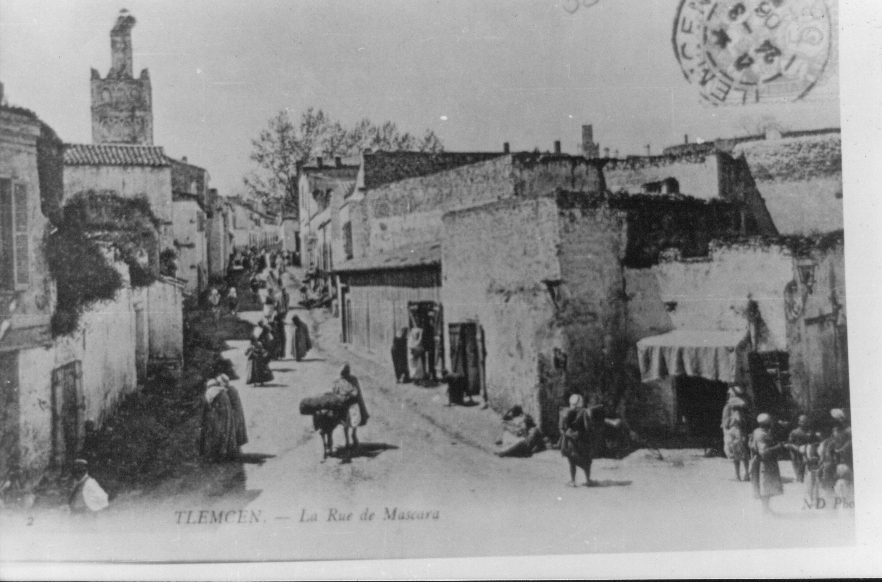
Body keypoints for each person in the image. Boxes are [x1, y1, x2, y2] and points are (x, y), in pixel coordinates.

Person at [330, 363, 369, 458]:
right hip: (344, 406)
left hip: (352, 405)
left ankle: (353, 436)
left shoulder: (353, 379)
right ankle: (348, 440)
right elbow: (334, 393)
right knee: (346, 424)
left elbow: (357, 394)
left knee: (353, 422)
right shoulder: (338, 381)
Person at [749, 413, 784, 514]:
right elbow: (763, 451)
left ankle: (767, 508)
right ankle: (765, 509)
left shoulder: (760, 432)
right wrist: (778, 447)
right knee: (765, 485)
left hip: (768, 462)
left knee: (767, 485)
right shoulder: (761, 434)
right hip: (763, 463)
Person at [559, 394, 597, 487]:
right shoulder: (584, 412)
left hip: (568, 440)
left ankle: (572, 481)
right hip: (581, 439)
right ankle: (588, 480)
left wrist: (566, 434)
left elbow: (561, 428)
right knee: (587, 460)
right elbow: (588, 427)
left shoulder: (564, 412)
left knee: (571, 461)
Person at [199, 379, 238, 461]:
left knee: (215, 434)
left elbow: (207, 407)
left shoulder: (209, 392)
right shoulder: (223, 391)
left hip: (217, 416)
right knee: (225, 433)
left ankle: (215, 455)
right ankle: (226, 453)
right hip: (227, 415)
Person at [218, 374, 248, 451]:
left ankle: (232, 450)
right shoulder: (233, 389)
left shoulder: (227, 391)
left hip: (234, 414)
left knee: (230, 431)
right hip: (237, 413)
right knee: (236, 431)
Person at [723, 405, 750, 481]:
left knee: (739, 455)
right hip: (736, 433)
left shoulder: (736, 412)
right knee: (741, 455)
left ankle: (740, 475)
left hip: (736, 433)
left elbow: (726, 425)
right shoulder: (734, 412)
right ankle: (744, 474)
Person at [787, 414, 813, 483]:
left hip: (806, 452)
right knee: (798, 467)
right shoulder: (794, 432)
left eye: (805, 421)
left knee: (806, 467)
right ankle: (799, 479)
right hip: (796, 452)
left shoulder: (810, 432)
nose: (803, 423)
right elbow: (789, 443)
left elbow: (813, 442)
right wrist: (797, 448)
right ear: (798, 422)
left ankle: (803, 479)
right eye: (802, 421)